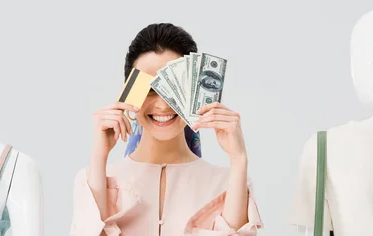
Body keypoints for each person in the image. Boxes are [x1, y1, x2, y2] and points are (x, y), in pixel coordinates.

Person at [69, 23, 263, 235]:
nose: (162, 105)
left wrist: (239, 159)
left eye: (173, 88)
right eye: (150, 89)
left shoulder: (228, 183)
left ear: (193, 93)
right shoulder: (95, 179)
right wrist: (99, 156)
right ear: (129, 94)